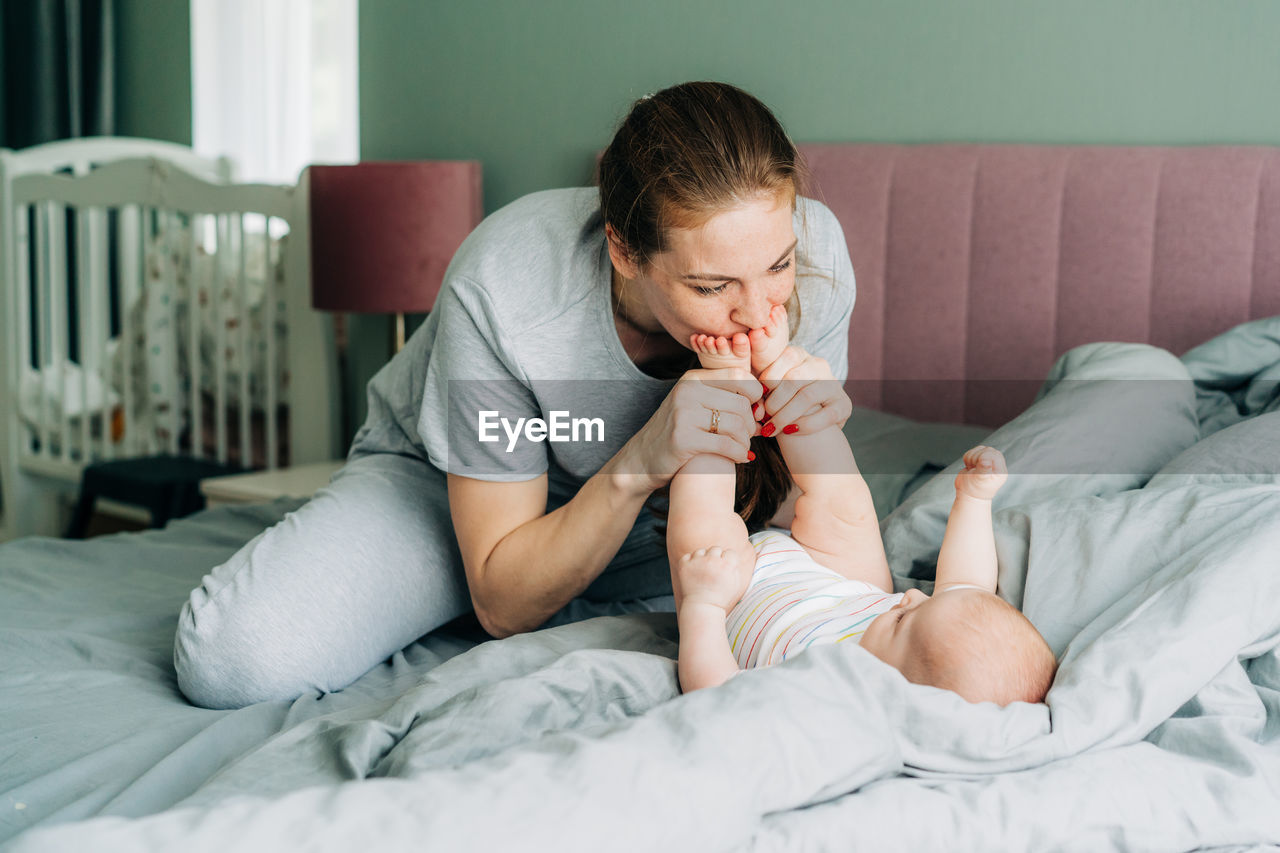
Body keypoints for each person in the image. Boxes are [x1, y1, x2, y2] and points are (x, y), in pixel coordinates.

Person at [173, 81, 858, 709]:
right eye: (711, 287)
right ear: (624, 251)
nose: (758, 310)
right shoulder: (505, 287)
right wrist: (644, 456)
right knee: (233, 661)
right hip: (462, 494)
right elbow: (502, 604)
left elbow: (803, 510)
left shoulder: (816, 258)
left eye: (777, 266)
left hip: (669, 539)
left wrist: (811, 431)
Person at [669, 308, 1058, 706]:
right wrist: (974, 500)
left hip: (738, 590)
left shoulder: (822, 698)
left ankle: (721, 394)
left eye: (905, 620)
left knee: (702, 524)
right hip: (845, 582)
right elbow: (966, 586)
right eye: (927, 601)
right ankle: (785, 381)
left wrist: (705, 603)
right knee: (845, 507)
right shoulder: (916, 625)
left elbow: (716, 691)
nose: (911, 597)